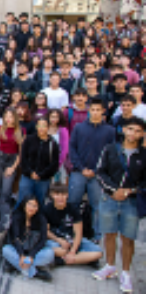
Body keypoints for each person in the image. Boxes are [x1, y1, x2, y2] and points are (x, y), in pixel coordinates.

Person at [93, 117, 146, 293]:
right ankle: (109, 266)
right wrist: (113, 190)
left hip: (131, 201)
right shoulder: (110, 149)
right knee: (109, 234)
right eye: (131, 129)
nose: (133, 134)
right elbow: (100, 172)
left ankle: (126, 273)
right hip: (109, 198)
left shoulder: (143, 155)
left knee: (128, 238)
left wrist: (129, 191)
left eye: (138, 131)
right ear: (124, 129)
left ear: (143, 134)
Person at [69, 98, 115, 241]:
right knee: (73, 203)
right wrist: (81, 168)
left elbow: (110, 153)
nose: (95, 113)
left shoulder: (110, 131)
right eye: (92, 110)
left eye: (98, 110)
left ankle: (97, 235)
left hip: (98, 175)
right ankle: (73, 232)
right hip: (79, 172)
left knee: (98, 206)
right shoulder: (78, 128)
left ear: (103, 112)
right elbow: (72, 149)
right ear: (89, 111)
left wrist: (97, 170)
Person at [44, 184, 103, 268]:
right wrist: (60, 241)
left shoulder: (73, 209)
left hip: (72, 239)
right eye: (57, 194)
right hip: (56, 240)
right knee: (55, 250)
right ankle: (82, 259)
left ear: (67, 195)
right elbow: (46, 231)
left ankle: (61, 261)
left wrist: (72, 251)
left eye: (63, 194)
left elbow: (78, 233)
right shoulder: (47, 208)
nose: (60, 197)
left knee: (98, 253)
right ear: (52, 195)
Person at [2, 195, 54, 281]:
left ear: (38, 208)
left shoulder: (41, 219)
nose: (32, 208)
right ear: (24, 204)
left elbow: (42, 240)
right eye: (29, 204)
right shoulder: (17, 216)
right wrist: (21, 255)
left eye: (35, 206)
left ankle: (18, 266)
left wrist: (31, 255)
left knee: (50, 253)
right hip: (18, 251)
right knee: (6, 250)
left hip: (34, 252)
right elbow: (15, 237)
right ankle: (36, 273)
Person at [17, 117, 59, 207]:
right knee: (22, 202)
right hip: (27, 177)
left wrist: (41, 174)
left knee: (39, 204)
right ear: (36, 127)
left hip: (43, 180)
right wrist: (30, 173)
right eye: (39, 125)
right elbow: (23, 158)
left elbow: (54, 164)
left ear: (48, 127)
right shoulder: (29, 139)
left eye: (44, 125)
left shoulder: (53, 143)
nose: (41, 128)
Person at [0, 108, 25, 201]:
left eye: (11, 116)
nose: (8, 118)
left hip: (12, 159)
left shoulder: (21, 130)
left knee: (6, 188)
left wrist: (13, 167)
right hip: (0, 158)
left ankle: (4, 211)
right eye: (6, 116)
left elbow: (21, 152)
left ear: (15, 117)